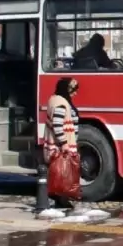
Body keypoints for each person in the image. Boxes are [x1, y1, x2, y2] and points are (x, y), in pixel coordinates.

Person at [45, 77, 83, 208]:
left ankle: (61, 199)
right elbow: (57, 125)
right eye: (73, 90)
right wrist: (64, 144)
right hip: (61, 146)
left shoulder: (56, 99)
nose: (75, 93)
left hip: (60, 144)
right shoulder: (61, 103)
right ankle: (61, 200)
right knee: (64, 173)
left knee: (61, 172)